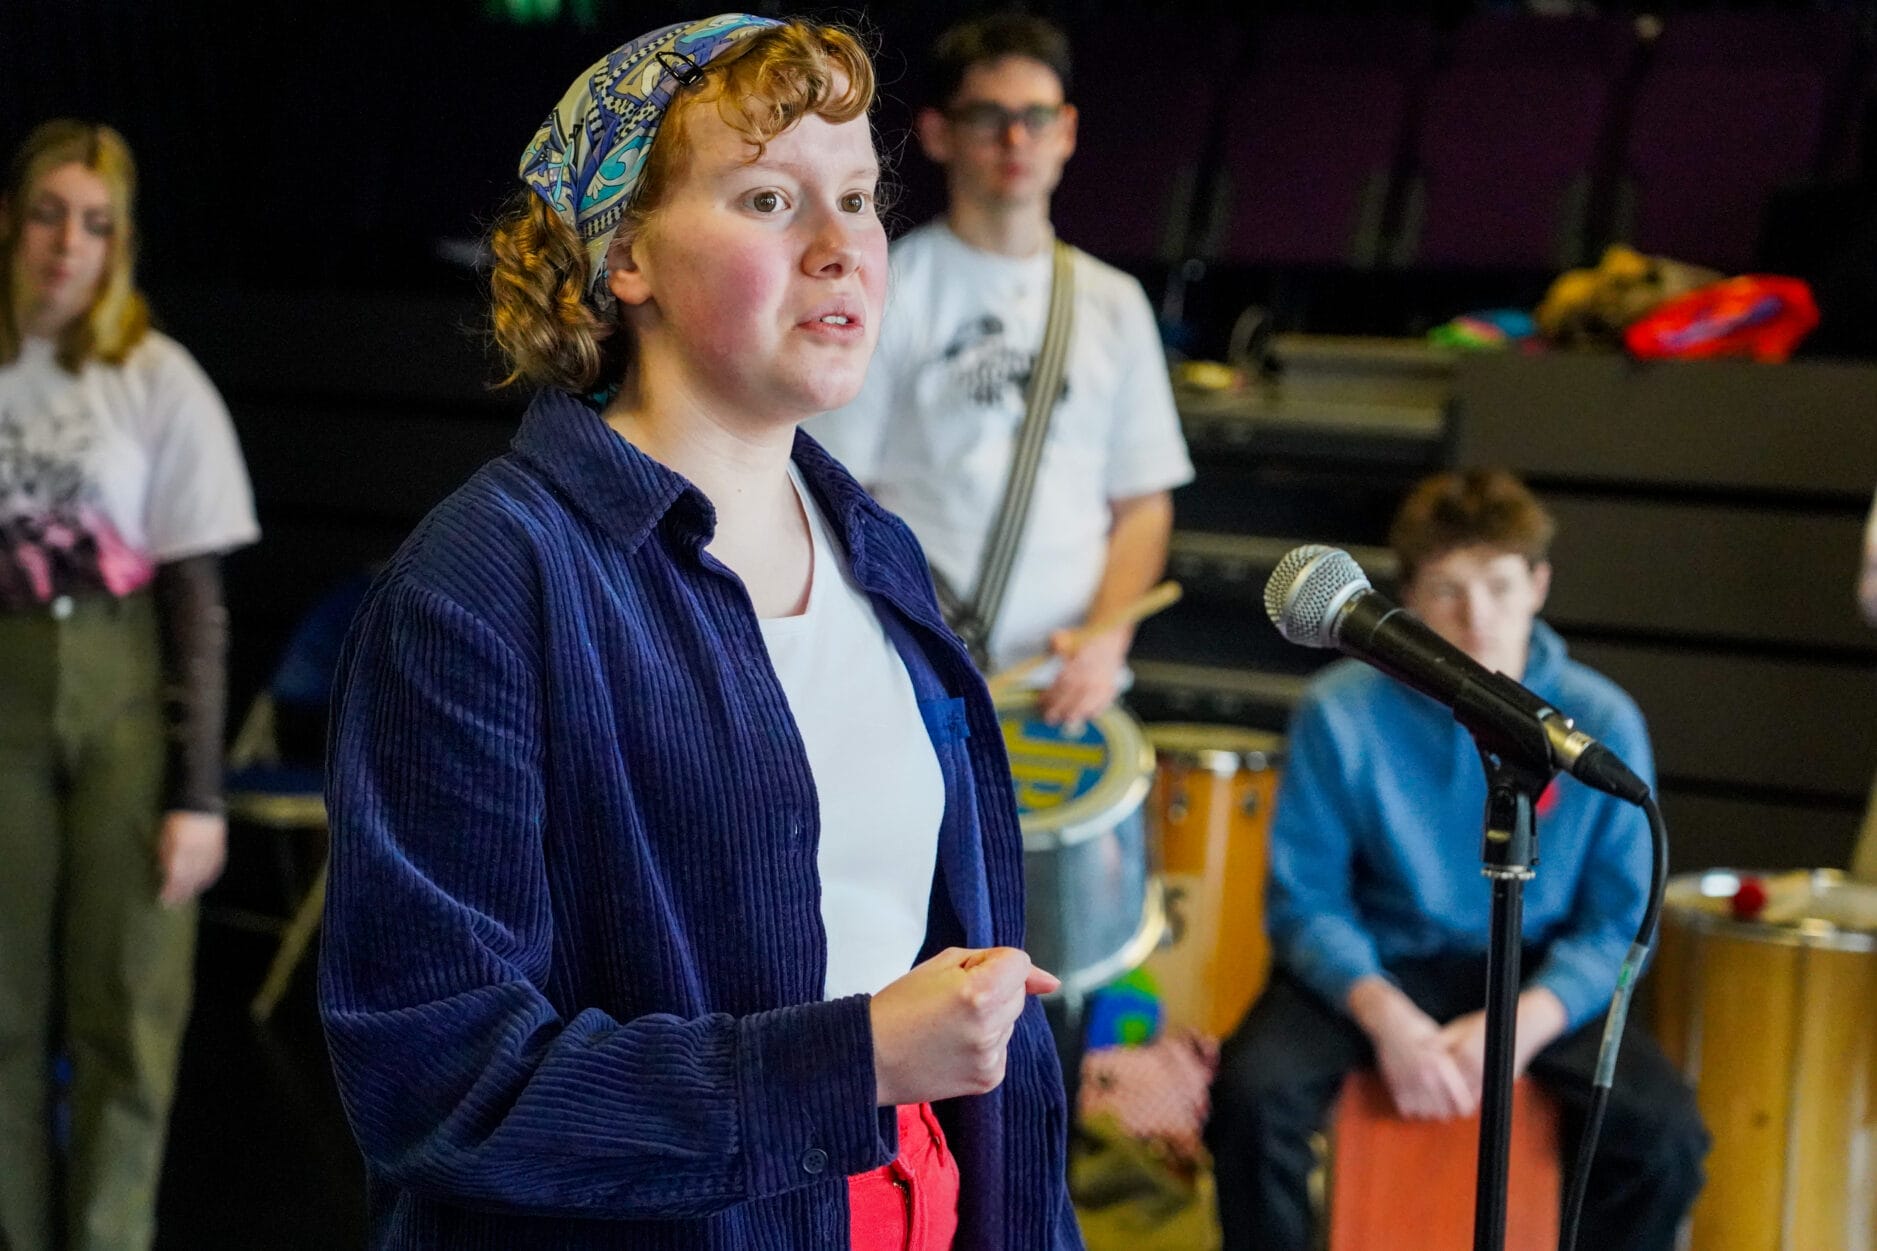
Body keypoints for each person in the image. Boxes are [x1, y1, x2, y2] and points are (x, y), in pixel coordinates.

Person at [317, 15, 1081, 1250]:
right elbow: (438, 1083)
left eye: (857, 198)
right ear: (624, 255)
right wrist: (850, 1061)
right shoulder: (485, 583)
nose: (840, 248)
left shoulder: (875, 552)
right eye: (770, 200)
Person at [1205, 469, 1708, 1251]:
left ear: (1537, 585)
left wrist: (1519, 1029)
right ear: (1407, 596)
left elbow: (1615, 924)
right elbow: (1305, 902)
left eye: (1499, 586)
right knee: (1250, 1097)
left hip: (1536, 973)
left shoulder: (1600, 719)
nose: (1476, 615)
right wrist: (1387, 1018)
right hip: (1379, 966)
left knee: (1664, 1138)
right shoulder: (1339, 710)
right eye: (1447, 588)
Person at [0, 120, 260, 1251]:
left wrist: (197, 795)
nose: (70, 243)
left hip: (124, 703)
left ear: (122, 244)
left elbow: (197, 604)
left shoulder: (155, 378)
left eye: (97, 224)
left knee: (129, 1010)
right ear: (11, 221)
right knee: (2, 1014)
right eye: (50, 214)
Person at [804, 14, 1193, 726]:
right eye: (988, 117)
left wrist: (1104, 641)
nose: (1016, 140)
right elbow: (839, 493)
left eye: (1036, 118)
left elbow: (1142, 506)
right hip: (918, 676)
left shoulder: (1114, 303)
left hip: (1064, 695)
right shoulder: (886, 289)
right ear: (937, 133)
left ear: (1066, 131)